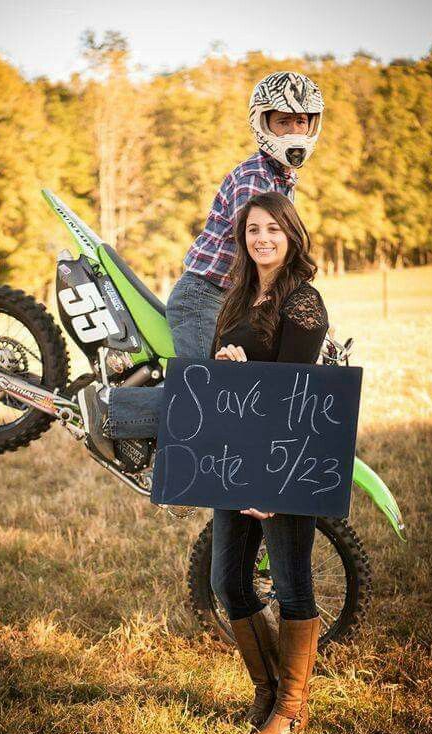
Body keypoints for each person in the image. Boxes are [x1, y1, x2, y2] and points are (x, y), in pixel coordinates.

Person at [78, 71, 325, 460]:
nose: (294, 129)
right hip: (205, 297)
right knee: (206, 394)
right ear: (263, 124)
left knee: (238, 392)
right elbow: (259, 256)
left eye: (301, 120)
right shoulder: (256, 181)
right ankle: (111, 409)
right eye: (283, 120)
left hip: (229, 298)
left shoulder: (283, 178)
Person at [210, 191, 328, 734]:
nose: (262, 238)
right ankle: (266, 689)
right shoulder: (234, 300)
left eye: (273, 230)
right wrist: (227, 365)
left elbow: (292, 395)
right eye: (253, 229)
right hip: (234, 459)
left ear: (291, 235)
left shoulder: (304, 302)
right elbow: (226, 384)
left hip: (285, 462)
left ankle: (292, 707)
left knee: (290, 583)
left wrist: (272, 483)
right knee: (228, 581)